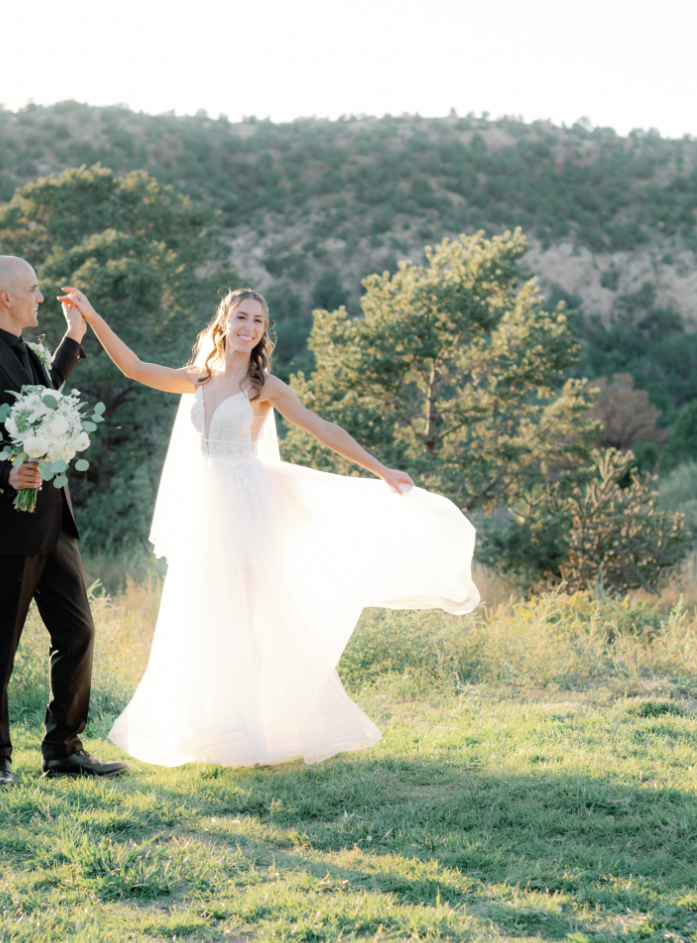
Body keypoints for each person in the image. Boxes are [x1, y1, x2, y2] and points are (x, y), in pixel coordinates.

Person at [56, 285, 480, 768]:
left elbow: (323, 429)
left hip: (248, 506)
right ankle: (214, 722)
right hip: (205, 508)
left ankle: (258, 726)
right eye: (241, 317)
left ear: (263, 331)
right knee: (206, 611)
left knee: (249, 614)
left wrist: (381, 469)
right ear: (224, 321)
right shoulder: (199, 378)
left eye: (258, 321)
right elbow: (134, 367)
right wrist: (91, 316)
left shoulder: (265, 386)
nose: (249, 327)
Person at [0, 255, 127, 788]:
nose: (41, 297)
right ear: (7, 298)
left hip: (54, 523)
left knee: (78, 632)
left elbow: (48, 393)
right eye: (34, 289)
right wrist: (4, 474)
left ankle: (63, 751)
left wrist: (74, 336)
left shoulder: (26, 351)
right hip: (6, 530)